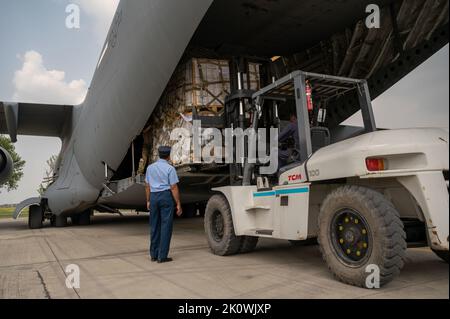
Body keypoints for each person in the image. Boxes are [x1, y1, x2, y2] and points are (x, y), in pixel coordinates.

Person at [145, 146, 183, 263]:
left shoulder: (150, 168)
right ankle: (162, 256)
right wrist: (178, 203)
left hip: (154, 197)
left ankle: (153, 255)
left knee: (154, 226)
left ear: (158, 154)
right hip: (165, 197)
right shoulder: (170, 169)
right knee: (166, 226)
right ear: (168, 155)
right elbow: (173, 187)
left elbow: (147, 185)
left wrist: (148, 200)